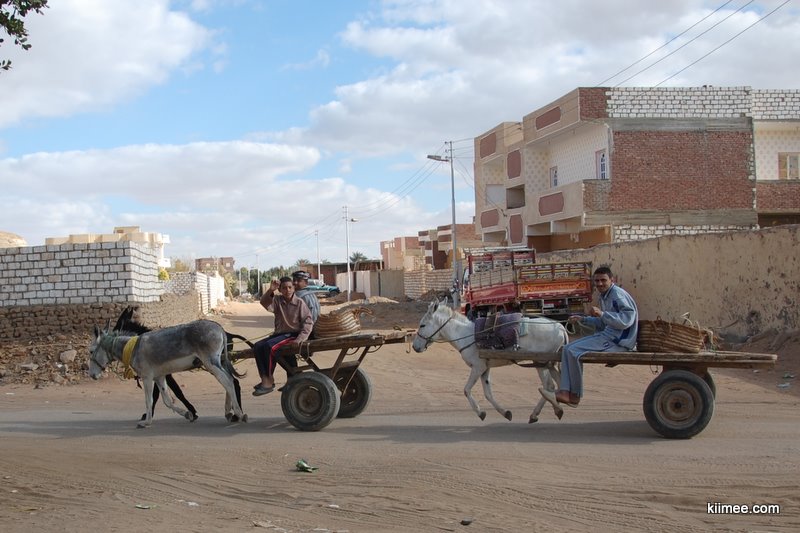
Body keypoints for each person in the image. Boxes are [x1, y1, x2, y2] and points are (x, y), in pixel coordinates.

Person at [556, 266, 638, 407]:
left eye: (603, 280)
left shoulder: (617, 295)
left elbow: (626, 320)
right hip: (608, 336)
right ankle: (566, 391)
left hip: (617, 341)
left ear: (612, 280)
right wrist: (583, 319)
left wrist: (602, 314)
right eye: (597, 281)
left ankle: (574, 395)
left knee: (572, 351)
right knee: (567, 348)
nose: (600, 284)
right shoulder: (604, 296)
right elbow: (604, 322)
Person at [252, 276, 313, 396]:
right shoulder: (277, 300)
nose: (287, 290)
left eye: (290, 287)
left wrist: (300, 339)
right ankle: (264, 377)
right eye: (284, 288)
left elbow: (308, 322)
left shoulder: (299, 303)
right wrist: (271, 290)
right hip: (280, 334)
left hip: (292, 334)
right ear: (280, 290)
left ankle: (269, 380)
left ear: (293, 288)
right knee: (258, 346)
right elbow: (264, 303)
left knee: (269, 347)